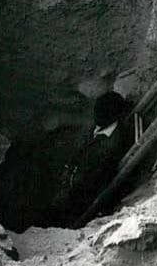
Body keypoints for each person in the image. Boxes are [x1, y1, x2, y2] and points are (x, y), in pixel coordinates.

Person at [51, 91, 133, 226]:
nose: (96, 117)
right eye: (96, 112)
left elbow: (92, 181)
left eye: (100, 114)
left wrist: (64, 192)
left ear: (113, 116)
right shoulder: (101, 127)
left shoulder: (111, 145)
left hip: (84, 195)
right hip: (74, 180)